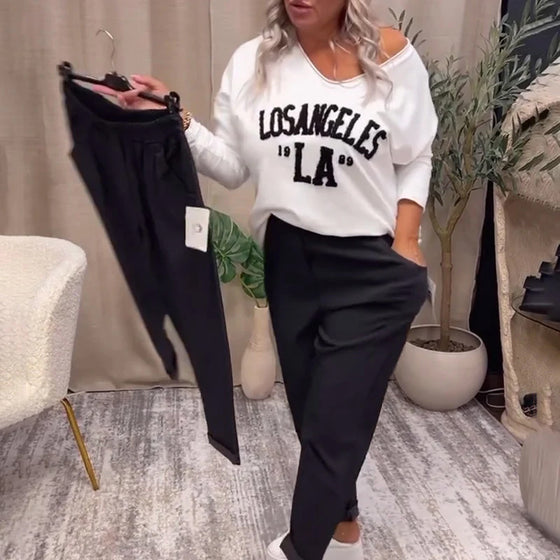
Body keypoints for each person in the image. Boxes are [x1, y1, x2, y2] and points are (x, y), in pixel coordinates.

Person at [95, 0, 438, 558]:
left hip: (370, 268)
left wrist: (407, 238)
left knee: (334, 425)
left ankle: (300, 549)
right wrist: (175, 118)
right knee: (310, 410)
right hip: (289, 258)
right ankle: (345, 530)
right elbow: (234, 167)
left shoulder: (389, 54)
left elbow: (416, 154)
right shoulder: (253, 62)